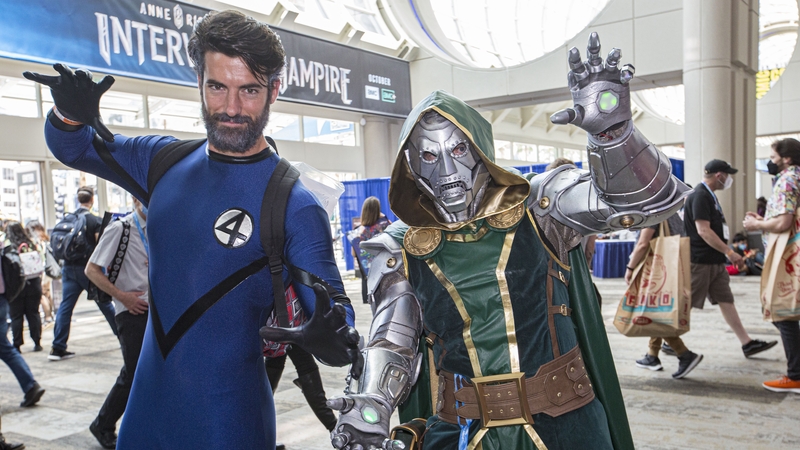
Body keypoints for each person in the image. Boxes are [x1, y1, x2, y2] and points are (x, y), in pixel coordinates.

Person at [278, 33, 692, 450]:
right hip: (462, 432)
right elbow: (393, 339)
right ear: (409, 165)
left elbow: (640, 204)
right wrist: (373, 403)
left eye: (458, 148)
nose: (447, 168)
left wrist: (613, 134)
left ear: (479, 149)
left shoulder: (541, 205)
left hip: (565, 426)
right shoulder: (400, 247)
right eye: (428, 155)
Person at [25, 10, 359, 449]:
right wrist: (67, 113)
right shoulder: (161, 162)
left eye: (250, 90)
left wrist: (332, 338)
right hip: (144, 415)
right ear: (198, 81)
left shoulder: (293, 204)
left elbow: (337, 314)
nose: (232, 108)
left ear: (274, 90)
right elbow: (72, 147)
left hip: (229, 420)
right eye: (217, 86)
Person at [684, 159, 777, 357]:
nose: (729, 179)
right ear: (720, 175)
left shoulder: (710, 197)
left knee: (726, 300)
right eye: (728, 175)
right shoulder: (700, 195)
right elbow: (704, 231)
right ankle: (667, 341)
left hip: (714, 261)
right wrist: (730, 252)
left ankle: (747, 343)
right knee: (685, 303)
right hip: (699, 261)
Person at [85, 198, 149, 449]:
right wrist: (122, 297)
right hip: (130, 312)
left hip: (156, 312)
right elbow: (92, 270)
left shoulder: (160, 227)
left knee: (153, 371)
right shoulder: (120, 229)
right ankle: (102, 424)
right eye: (142, 197)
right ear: (134, 199)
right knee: (133, 372)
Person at [742, 137, 800, 392]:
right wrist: (764, 219)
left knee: (781, 310)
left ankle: (796, 374)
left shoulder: (787, 179)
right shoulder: (795, 176)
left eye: (774, 158)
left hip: (788, 256)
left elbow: (784, 223)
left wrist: (757, 225)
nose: (771, 162)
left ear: (786, 158)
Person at [626, 213, 703, 378]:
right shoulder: (671, 212)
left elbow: (643, 243)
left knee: (654, 314)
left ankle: (684, 354)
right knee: (657, 310)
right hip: (674, 267)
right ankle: (652, 356)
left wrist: (630, 268)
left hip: (657, 271)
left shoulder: (652, 212)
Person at [49, 186, 118, 361]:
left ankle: (57, 348)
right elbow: (100, 247)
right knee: (104, 302)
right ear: (92, 199)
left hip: (68, 268)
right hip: (88, 269)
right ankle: (124, 336)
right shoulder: (93, 220)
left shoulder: (68, 218)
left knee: (65, 307)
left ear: (78, 200)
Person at [0, 246, 45, 409]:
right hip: (3, 299)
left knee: (5, 347)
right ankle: (30, 385)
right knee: (5, 348)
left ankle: (31, 385)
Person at [4, 222, 43, 353]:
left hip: (16, 287)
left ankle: (17, 345)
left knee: (16, 316)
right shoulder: (31, 244)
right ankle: (37, 342)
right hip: (34, 283)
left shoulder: (9, 248)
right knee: (33, 313)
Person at [347, 196, 391, 303]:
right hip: (385, 273)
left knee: (374, 307)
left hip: (368, 277)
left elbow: (354, 254)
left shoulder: (357, 233)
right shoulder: (385, 226)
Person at [25, 221, 55, 326]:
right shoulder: (45, 239)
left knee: (42, 294)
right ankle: (51, 315)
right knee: (47, 293)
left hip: (41, 270)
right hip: (48, 269)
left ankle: (48, 317)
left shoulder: (35, 241)